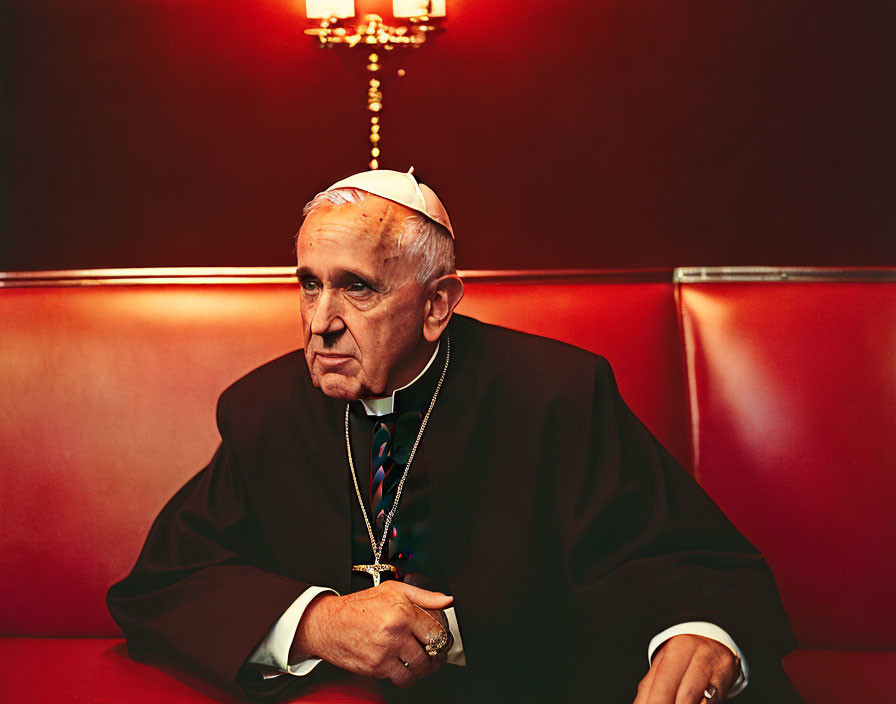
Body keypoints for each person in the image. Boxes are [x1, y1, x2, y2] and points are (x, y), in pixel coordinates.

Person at [108, 169, 801, 704]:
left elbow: (685, 560)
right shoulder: (265, 409)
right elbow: (166, 580)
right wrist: (319, 622)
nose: (320, 322)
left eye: (356, 288)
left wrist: (699, 636)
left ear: (437, 304)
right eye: (309, 284)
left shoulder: (555, 394)